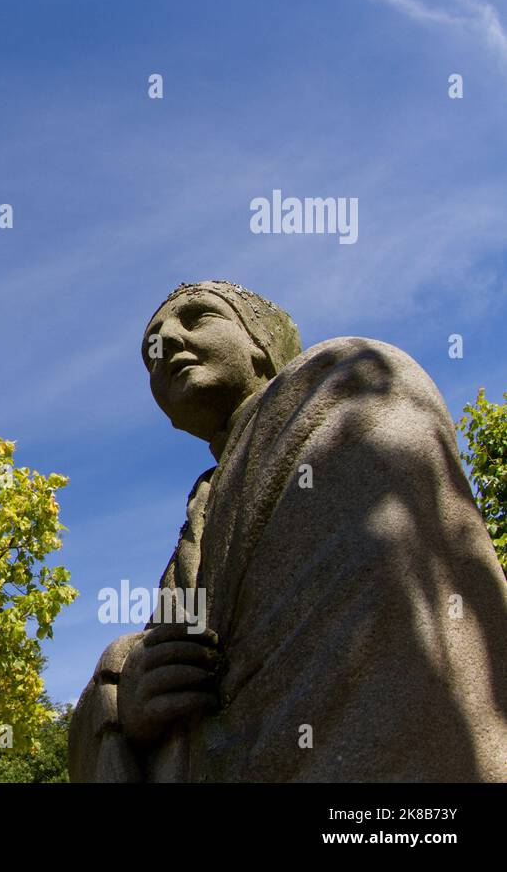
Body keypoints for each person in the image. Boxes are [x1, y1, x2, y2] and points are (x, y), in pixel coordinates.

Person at [67, 280, 507, 781]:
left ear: (262, 346)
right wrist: (123, 693)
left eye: (197, 318)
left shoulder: (348, 383)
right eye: (151, 349)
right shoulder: (192, 535)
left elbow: (392, 622)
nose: (164, 342)